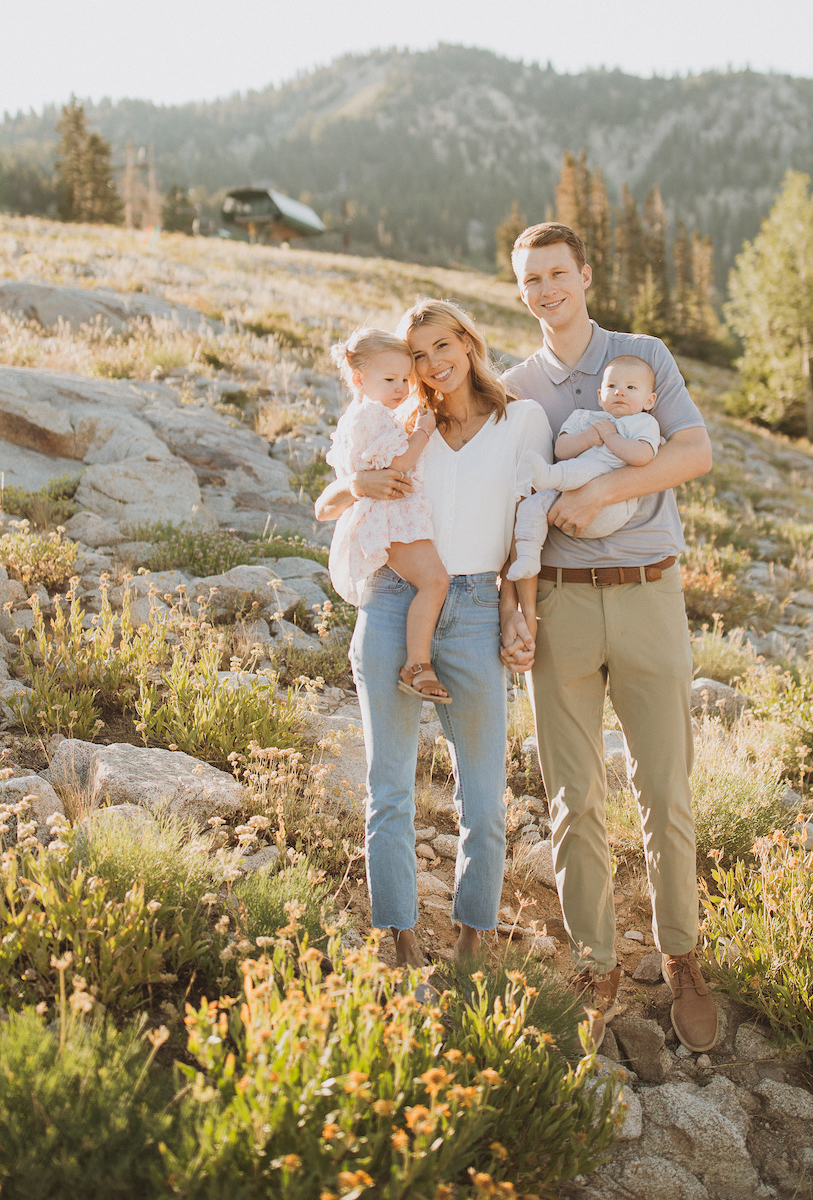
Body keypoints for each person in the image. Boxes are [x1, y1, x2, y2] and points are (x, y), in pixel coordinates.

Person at [500, 221, 718, 1053]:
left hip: (647, 594)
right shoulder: (517, 385)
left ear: (584, 274)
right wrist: (515, 608)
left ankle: (681, 955)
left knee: (666, 787)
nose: (546, 289)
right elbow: (508, 500)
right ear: (521, 292)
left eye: (557, 272)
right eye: (530, 279)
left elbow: (694, 452)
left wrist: (599, 496)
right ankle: (596, 962)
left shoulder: (643, 355)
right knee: (572, 796)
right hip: (558, 603)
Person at [315, 299, 550, 973]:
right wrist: (355, 482)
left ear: (469, 343)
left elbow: (529, 527)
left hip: (476, 607)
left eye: (442, 346)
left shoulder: (520, 421)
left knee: (483, 796)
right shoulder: (399, 419)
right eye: (417, 355)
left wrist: (516, 611)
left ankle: (473, 939)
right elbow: (328, 501)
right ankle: (402, 937)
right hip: (394, 603)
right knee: (388, 789)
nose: (432, 364)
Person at [326, 328, 451, 703]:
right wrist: (424, 431)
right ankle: (417, 664)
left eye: (404, 380)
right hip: (389, 516)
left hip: (387, 511)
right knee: (434, 581)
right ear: (359, 379)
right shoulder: (373, 416)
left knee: (430, 581)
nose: (400, 388)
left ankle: (417, 661)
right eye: (390, 379)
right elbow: (398, 465)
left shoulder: (365, 415)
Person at [508, 354, 660, 580]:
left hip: (610, 507)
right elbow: (562, 450)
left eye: (630, 387)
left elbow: (642, 456)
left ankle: (547, 476)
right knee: (532, 505)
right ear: (600, 396)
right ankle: (528, 557)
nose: (619, 392)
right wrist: (588, 437)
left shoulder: (643, 423)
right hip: (566, 498)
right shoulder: (583, 418)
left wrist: (610, 437)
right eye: (612, 386)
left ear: (649, 401)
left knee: (590, 467)